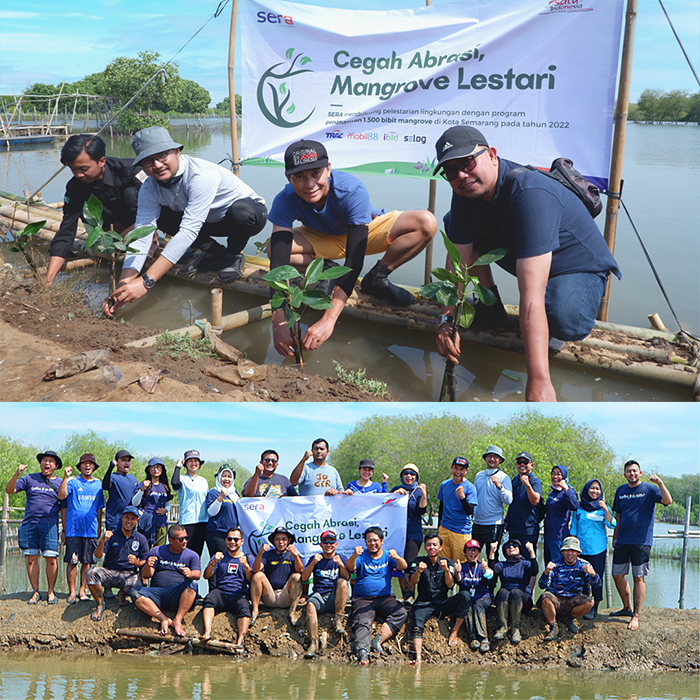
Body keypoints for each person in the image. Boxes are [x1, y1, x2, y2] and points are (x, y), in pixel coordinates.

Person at [432, 125, 621, 402]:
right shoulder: (464, 191)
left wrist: (539, 380)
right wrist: (446, 321)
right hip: (527, 253)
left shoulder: (530, 193)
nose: (461, 175)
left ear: (492, 155)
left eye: (468, 162)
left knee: (565, 321)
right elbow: (458, 261)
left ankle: (557, 319)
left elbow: (530, 294)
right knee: (455, 224)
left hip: (576, 266)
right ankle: (490, 306)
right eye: (451, 171)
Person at [268, 140, 437, 356]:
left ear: (328, 169)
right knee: (274, 250)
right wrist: (278, 319)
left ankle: (377, 277)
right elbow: (279, 263)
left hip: (365, 232)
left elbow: (354, 261)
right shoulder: (285, 199)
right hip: (322, 237)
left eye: (316, 173)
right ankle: (327, 271)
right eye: (299, 176)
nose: (309, 184)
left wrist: (329, 320)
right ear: (288, 178)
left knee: (426, 222)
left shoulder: (351, 190)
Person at [105, 126, 267, 316]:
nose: (157, 165)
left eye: (163, 156)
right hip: (204, 220)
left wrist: (147, 281)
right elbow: (142, 234)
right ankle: (213, 251)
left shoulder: (200, 175)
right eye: (148, 161)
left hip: (242, 217)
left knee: (242, 214)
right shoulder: (149, 187)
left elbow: (188, 231)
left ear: (177, 151)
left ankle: (231, 255)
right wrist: (124, 286)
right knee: (161, 218)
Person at [46, 134, 146, 285]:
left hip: (141, 225)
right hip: (108, 230)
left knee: (132, 194)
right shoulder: (75, 186)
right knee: (84, 207)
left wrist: (123, 239)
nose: (79, 174)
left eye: (83, 169)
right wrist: (49, 279)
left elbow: (156, 211)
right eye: (73, 169)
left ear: (102, 161)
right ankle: (114, 238)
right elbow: (67, 229)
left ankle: (145, 241)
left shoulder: (131, 171)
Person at [611, 460, 672, 631]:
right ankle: (626, 607)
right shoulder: (621, 490)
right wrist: (615, 537)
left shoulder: (649, 489)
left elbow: (668, 501)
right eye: (628, 471)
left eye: (634, 471)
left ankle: (635, 616)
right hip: (622, 540)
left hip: (641, 541)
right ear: (624, 474)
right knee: (617, 574)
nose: (632, 474)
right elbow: (618, 516)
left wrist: (660, 483)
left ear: (640, 473)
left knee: (639, 578)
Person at [4, 451, 64, 605]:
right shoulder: (30, 478)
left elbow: (64, 506)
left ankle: (51, 592)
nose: (47, 463)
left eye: (51, 461)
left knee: (51, 559)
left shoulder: (60, 482)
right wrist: (17, 474)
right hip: (30, 524)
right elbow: (9, 490)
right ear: (41, 463)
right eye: (45, 460)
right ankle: (35, 591)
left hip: (50, 525)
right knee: (31, 559)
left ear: (56, 466)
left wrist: (64, 529)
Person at [347, 526, 408, 666]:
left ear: (381, 541)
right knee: (363, 622)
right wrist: (354, 556)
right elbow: (350, 568)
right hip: (363, 600)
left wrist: (397, 557)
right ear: (365, 542)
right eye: (369, 541)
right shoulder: (361, 556)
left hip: (385, 598)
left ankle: (379, 639)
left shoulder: (388, 555)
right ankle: (363, 653)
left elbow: (403, 567)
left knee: (401, 612)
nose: (372, 543)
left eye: (375, 540)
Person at [130, 524, 201, 637]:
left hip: (177, 595)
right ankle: (163, 618)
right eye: (181, 539)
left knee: (193, 584)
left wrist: (191, 573)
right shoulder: (157, 551)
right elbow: (147, 575)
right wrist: (147, 566)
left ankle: (177, 620)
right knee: (135, 592)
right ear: (171, 540)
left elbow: (198, 574)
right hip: (157, 595)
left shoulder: (192, 555)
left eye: (186, 538)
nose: (184, 541)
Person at [408, 533, 463, 665]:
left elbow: (450, 585)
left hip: (442, 604)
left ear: (440, 547)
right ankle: (418, 658)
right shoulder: (419, 561)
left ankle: (454, 632)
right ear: (425, 547)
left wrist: (446, 571)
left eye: (434, 545)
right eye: (428, 545)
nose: (431, 547)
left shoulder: (447, 562)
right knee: (417, 624)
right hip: (424, 604)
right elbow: (412, 583)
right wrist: (418, 572)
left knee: (464, 597)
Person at [87, 505, 149, 620]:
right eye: (127, 518)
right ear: (122, 518)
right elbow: (96, 559)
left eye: (132, 519)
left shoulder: (141, 538)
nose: (129, 521)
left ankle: (122, 594)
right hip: (109, 572)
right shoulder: (111, 535)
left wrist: (137, 563)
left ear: (137, 521)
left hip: (128, 573)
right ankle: (100, 603)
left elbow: (145, 561)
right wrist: (102, 541)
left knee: (138, 584)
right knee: (91, 573)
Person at [58, 453, 104, 604]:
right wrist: (65, 477)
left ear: (94, 467)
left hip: (90, 530)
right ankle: (71, 592)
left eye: (91, 463)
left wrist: (98, 527)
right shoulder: (72, 481)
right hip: (73, 529)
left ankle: (82, 591)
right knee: (73, 561)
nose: (88, 466)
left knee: (87, 562)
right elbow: (62, 495)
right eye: (85, 463)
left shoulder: (99, 484)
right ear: (80, 466)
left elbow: (99, 508)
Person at [570, 479, 616, 620]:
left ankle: (595, 606)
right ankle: (583, 604)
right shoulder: (578, 507)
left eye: (597, 489)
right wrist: (572, 546)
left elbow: (612, 524)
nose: (594, 491)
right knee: (581, 578)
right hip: (581, 549)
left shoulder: (603, 507)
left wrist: (606, 509)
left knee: (596, 578)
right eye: (592, 488)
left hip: (597, 549)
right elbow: (573, 527)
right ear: (586, 490)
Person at [538, 536, 600, 640]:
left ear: (578, 553)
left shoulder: (584, 565)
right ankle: (553, 626)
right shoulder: (555, 564)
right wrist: (546, 572)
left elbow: (597, 586)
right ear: (562, 552)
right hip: (556, 599)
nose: (570, 554)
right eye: (567, 550)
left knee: (590, 602)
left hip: (573, 600)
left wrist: (593, 574)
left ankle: (569, 618)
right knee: (545, 598)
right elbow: (541, 585)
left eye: (573, 551)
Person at [301, 529, 349, 658]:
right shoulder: (315, 558)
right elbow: (304, 578)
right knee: (310, 605)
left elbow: (348, 577)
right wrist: (313, 563)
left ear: (336, 544)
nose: (329, 545)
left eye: (331, 542)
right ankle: (313, 642)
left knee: (342, 582)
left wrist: (341, 565)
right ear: (321, 544)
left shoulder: (341, 558)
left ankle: (338, 619)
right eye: (325, 542)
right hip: (320, 596)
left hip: (335, 598)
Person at [200, 527, 253, 647]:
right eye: (230, 539)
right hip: (221, 593)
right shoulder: (219, 556)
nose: (232, 542)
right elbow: (206, 576)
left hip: (238, 595)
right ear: (225, 540)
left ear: (241, 541)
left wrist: (246, 566)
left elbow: (251, 579)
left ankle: (240, 640)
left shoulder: (247, 558)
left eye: (235, 539)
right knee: (209, 599)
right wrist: (213, 562)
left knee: (245, 609)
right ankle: (207, 632)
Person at [250, 526, 304, 625]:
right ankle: (255, 610)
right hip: (270, 596)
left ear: (289, 541)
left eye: (284, 539)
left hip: (285, 596)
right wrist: (260, 553)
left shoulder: (292, 555)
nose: (281, 542)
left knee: (296, 577)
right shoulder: (268, 555)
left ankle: (292, 612)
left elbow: (300, 570)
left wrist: (295, 555)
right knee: (257, 575)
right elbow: (256, 569)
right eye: (277, 539)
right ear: (274, 541)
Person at [390, 464, 428, 602]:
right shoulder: (396, 489)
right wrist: (394, 493)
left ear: (416, 477)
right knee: (399, 563)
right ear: (402, 475)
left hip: (413, 531)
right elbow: (386, 505)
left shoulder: (418, 491)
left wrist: (424, 494)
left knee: (410, 563)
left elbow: (421, 511)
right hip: (397, 531)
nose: (409, 476)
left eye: (412, 474)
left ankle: (411, 594)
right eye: (406, 473)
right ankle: (403, 594)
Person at [490, 539, 539, 644]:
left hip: (523, 600)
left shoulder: (525, 563)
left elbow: (534, 571)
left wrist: (531, 551)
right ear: (505, 551)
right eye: (508, 547)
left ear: (519, 549)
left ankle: (515, 628)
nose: (511, 547)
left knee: (515, 592)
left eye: (514, 545)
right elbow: (492, 572)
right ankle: (503, 626)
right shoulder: (502, 565)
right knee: (502, 592)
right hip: (506, 599)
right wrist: (492, 552)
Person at [449, 539, 493, 652]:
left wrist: (486, 569)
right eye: (470, 550)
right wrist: (457, 573)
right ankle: (473, 637)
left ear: (479, 553)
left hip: (483, 596)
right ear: (465, 552)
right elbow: (460, 583)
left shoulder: (482, 566)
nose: (473, 553)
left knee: (478, 606)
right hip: (468, 597)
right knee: (467, 606)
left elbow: (488, 580)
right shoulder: (462, 566)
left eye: (475, 550)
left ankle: (483, 638)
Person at [472, 446, 512, 560]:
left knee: (492, 557)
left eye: (495, 457)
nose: (492, 459)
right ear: (485, 458)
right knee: (472, 555)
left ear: (500, 460)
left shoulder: (504, 477)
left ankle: (492, 578)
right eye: (490, 456)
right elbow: (475, 498)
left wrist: (499, 486)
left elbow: (508, 500)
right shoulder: (479, 476)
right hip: (477, 523)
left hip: (494, 524)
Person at [436, 457, 478, 563]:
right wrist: (439, 527)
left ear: (466, 471)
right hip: (444, 529)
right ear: (451, 468)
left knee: (460, 564)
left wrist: (462, 497)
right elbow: (442, 506)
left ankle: (459, 580)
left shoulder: (470, 488)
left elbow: (469, 511)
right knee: (443, 563)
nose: (458, 472)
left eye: (461, 469)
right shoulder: (444, 485)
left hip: (461, 532)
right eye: (456, 468)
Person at [205, 464, 241, 585]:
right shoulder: (214, 492)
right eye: (224, 476)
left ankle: (228, 587)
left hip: (232, 534)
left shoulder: (235, 494)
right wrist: (220, 497)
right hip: (216, 533)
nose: (226, 479)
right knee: (216, 561)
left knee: (230, 562)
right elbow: (211, 512)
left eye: (229, 476)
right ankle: (214, 590)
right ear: (219, 477)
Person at [171, 450, 209, 557]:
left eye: (196, 461)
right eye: (190, 461)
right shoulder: (182, 478)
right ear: (185, 463)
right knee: (185, 552)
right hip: (188, 520)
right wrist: (178, 466)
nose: (193, 464)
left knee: (197, 553)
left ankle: (195, 573)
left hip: (203, 521)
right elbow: (174, 483)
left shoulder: (203, 481)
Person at [506, 451, 543, 554]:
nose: (522, 464)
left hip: (528, 530)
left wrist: (527, 485)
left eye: (525, 462)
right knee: (513, 559)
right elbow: (512, 501)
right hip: (514, 528)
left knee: (528, 560)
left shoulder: (535, 481)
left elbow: (535, 500)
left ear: (531, 465)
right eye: (519, 462)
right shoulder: (515, 479)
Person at [132, 458, 172, 546]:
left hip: (161, 523)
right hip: (146, 523)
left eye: (158, 467)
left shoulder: (164, 487)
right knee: (145, 550)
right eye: (153, 467)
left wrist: (165, 510)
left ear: (162, 469)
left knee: (159, 551)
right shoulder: (144, 484)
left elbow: (168, 503)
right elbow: (135, 503)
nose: (156, 469)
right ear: (149, 470)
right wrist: (142, 489)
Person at [543, 465, 579, 566]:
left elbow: (575, 506)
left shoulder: (568, 491)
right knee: (548, 566)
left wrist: (566, 488)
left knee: (557, 566)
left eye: (559, 474)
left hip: (559, 536)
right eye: (553, 473)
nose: (555, 476)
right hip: (548, 535)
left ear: (564, 476)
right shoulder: (553, 492)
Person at [102, 449, 139, 532]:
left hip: (129, 522)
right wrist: (110, 468)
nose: (126, 462)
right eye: (123, 460)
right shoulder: (113, 477)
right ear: (117, 462)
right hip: (114, 521)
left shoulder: (133, 479)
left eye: (128, 460)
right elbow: (105, 486)